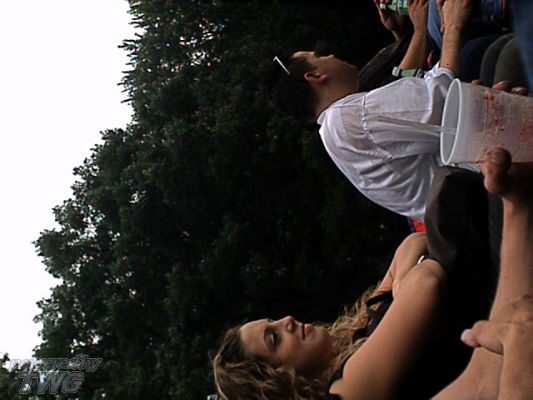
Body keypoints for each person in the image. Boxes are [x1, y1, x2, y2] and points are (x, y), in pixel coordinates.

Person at [212, 145, 532, 400]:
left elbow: (412, 245)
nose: (287, 321)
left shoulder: (354, 336)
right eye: (274, 338)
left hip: (505, 302)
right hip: (502, 297)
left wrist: (403, 286)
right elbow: (427, 284)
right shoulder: (345, 390)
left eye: (273, 321)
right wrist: (407, 287)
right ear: (275, 380)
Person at [270, 0, 476, 221]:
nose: (330, 56)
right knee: (470, 45)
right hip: (478, 181)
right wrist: (453, 26)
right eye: (320, 57)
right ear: (315, 77)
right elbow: (443, 103)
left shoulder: (335, 129)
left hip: (468, 193)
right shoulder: (347, 117)